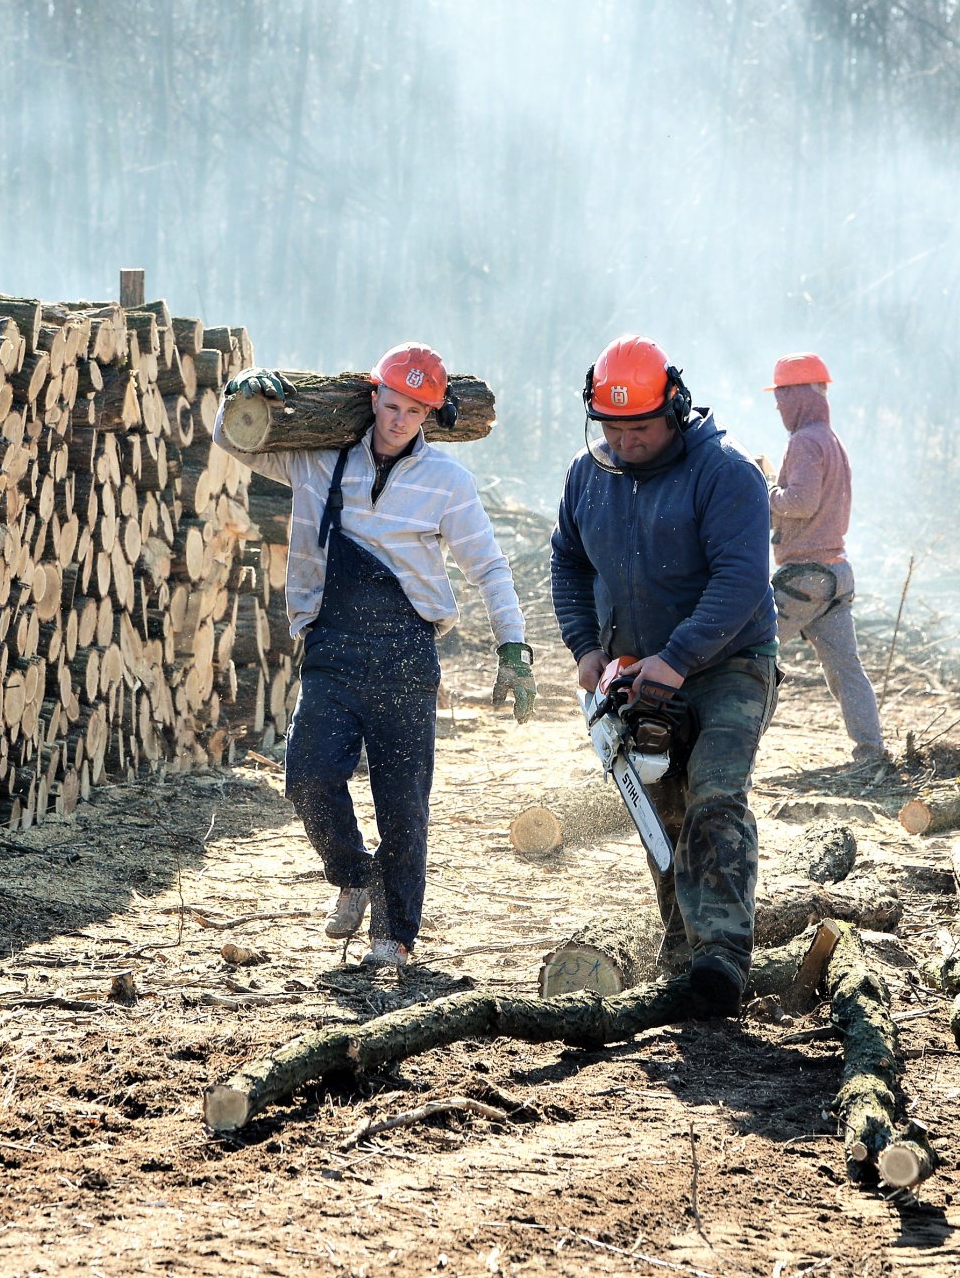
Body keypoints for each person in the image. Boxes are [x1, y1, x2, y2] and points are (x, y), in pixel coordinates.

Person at [218, 342, 534, 970]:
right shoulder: (317, 461)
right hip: (331, 645)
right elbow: (233, 442)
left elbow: (488, 568)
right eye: (392, 405)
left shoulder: (447, 482)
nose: (398, 421)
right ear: (372, 398)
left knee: (402, 801)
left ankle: (394, 932)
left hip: (406, 653)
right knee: (307, 775)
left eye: (415, 411)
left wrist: (513, 645)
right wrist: (239, 391)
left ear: (430, 416)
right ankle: (354, 873)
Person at [549, 335, 777, 1015]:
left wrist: (677, 658)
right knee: (662, 807)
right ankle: (681, 955)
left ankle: (722, 959)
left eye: (640, 426)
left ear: (674, 408)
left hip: (729, 662)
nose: (626, 441)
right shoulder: (588, 478)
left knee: (714, 792)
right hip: (637, 670)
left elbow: (741, 580)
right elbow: (568, 561)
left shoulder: (725, 474)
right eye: (612, 428)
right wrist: (584, 645)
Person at [760, 353, 888, 766]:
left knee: (745, 653)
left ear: (797, 395)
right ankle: (871, 753)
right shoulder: (830, 440)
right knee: (846, 671)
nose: (778, 405)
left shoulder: (805, 441)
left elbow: (799, 501)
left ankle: (730, 750)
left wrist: (763, 490)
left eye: (781, 396)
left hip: (805, 578)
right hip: (835, 575)